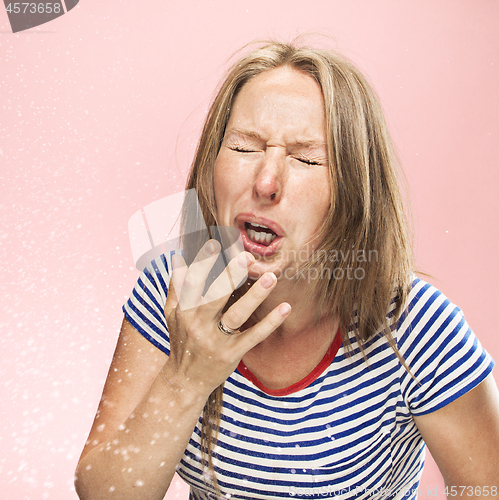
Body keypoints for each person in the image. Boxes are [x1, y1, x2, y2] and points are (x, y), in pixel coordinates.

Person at [74, 41, 499, 500]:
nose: (265, 182)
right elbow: (106, 493)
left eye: (306, 158)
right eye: (243, 146)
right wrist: (187, 375)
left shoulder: (417, 327)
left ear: (356, 190)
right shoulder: (174, 286)